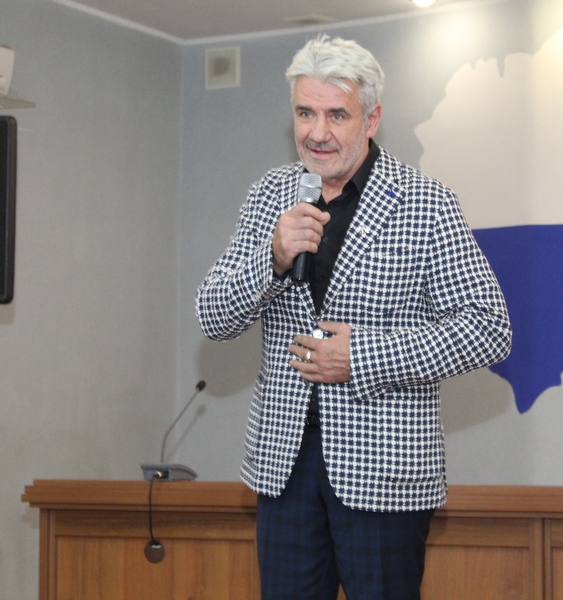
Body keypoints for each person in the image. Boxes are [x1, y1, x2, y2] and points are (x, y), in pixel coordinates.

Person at [196, 34, 512, 600]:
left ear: (372, 119)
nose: (317, 133)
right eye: (305, 113)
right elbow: (213, 315)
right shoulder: (270, 196)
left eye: (336, 115)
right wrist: (272, 259)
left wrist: (361, 356)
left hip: (385, 474)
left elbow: (488, 328)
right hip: (284, 469)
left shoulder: (424, 203)